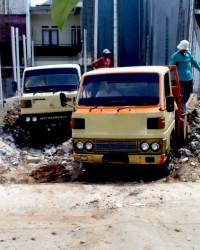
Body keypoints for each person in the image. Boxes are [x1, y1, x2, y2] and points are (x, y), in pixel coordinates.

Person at [169, 40, 200, 113]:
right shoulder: (175, 56)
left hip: (188, 79)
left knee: (187, 94)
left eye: (184, 49)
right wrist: (168, 70)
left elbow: (195, 63)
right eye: (182, 49)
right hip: (180, 79)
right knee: (181, 94)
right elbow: (171, 66)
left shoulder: (189, 54)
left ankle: (182, 106)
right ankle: (182, 109)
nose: (183, 50)